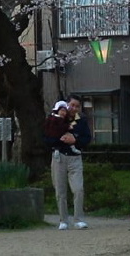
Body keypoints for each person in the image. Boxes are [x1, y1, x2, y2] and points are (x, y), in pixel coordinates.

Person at [43, 94, 91, 230]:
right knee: (60, 190)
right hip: (59, 157)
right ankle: (63, 220)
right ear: (66, 104)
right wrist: (61, 140)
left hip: (75, 158)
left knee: (78, 189)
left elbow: (87, 139)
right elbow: (46, 138)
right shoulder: (54, 118)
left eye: (77, 106)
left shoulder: (81, 121)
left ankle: (79, 219)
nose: (74, 108)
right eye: (72, 105)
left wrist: (75, 140)